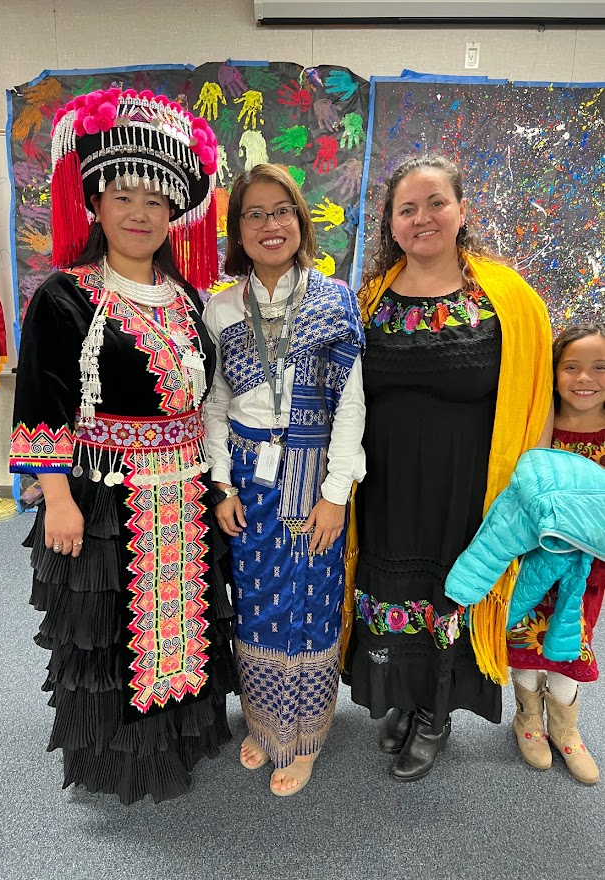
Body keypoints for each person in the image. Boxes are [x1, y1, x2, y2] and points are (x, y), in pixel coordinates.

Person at [9, 86, 237, 804]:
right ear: (97, 206)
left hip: (187, 489)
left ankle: (181, 742)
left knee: (186, 619)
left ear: (173, 213)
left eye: (155, 201)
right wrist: (56, 502)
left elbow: (205, 401)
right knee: (112, 635)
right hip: (104, 495)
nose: (140, 214)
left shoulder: (187, 297)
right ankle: (119, 764)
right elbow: (43, 405)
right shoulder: (65, 296)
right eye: (124, 197)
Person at [347, 154, 553, 782]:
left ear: (463, 211)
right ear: (391, 223)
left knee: (451, 592)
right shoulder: (370, 299)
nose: (422, 218)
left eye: (436, 203)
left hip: (468, 488)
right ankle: (403, 700)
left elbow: (538, 399)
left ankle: (435, 714)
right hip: (385, 488)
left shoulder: (510, 299)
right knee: (391, 595)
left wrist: (526, 493)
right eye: (407, 208)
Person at [203, 163, 365, 796]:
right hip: (247, 474)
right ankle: (266, 725)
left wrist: (335, 495)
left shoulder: (333, 299)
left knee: (313, 604)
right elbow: (214, 402)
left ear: (300, 220)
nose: (270, 225)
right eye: (254, 214)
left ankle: (306, 737)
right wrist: (223, 484)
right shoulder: (220, 307)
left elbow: (350, 406)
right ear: (238, 229)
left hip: (314, 475)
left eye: (281, 212)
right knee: (259, 602)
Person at [507, 322, 605, 784]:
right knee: (524, 636)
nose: (585, 379)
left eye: (599, 368)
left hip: (588, 569)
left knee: (570, 641)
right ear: (553, 372)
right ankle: (527, 719)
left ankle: (566, 729)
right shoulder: (539, 423)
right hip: (536, 561)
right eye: (572, 367)